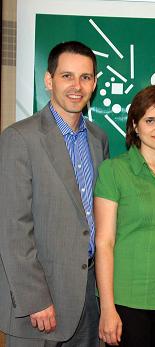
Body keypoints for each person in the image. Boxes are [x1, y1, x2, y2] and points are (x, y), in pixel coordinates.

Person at [0, 41, 109, 347]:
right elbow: (12, 228)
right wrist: (35, 298)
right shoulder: (19, 138)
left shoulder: (98, 138)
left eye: (85, 77)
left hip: (88, 296)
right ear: (49, 80)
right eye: (67, 76)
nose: (77, 86)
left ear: (95, 83)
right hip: (40, 303)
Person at [94, 85, 155, 347]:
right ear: (135, 125)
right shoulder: (114, 171)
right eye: (150, 120)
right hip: (128, 300)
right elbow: (104, 243)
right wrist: (107, 308)